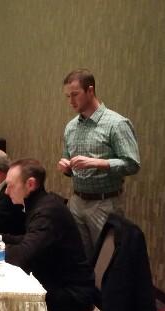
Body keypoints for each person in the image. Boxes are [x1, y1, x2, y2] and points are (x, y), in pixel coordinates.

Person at [0, 158, 95, 311]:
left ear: (30, 184)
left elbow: (24, 255)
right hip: (56, 281)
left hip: (71, 294)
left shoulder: (47, 212)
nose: (6, 191)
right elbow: (29, 240)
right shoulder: (41, 204)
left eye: (11, 185)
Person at [58, 69, 141, 259]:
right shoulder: (71, 127)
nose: (71, 101)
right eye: (68, 96)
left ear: (90, 90)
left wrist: (98, 163)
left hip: (105, 202)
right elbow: (70, 163)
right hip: (77, 200)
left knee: (106, 261)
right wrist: (66, 168)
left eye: (75, 95)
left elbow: (132, 164)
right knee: (78, 257)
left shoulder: (116, 123)